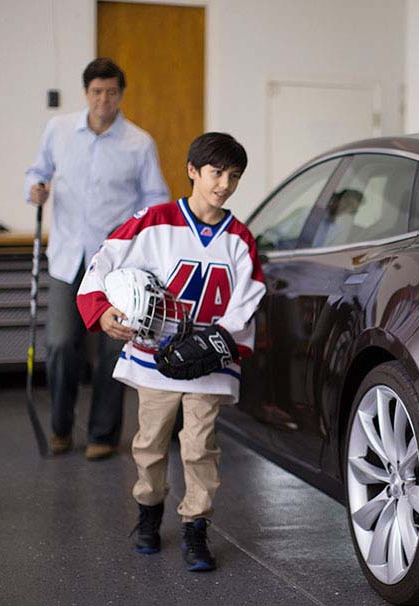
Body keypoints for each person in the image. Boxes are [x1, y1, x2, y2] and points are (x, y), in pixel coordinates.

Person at [76, 132, 266, 571]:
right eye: (216, 173)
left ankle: (196, 525)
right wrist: (101, 310)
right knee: (150, 443)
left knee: (199, 446)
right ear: (192, 171)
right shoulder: (155, 221)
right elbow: (103, 260)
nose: (224, 184)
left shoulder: (239, 238)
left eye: (234, 176)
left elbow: (249, 295)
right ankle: (148, 512)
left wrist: (220, 339)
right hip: (152, 355)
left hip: (209, 362)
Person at [24, 57, 169, 459]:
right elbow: (36, 172)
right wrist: (34, 189)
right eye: (96, 92)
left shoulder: (139, 143)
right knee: (60, 344)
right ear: (86, 93)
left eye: (111, 92)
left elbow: (156, 199)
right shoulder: (58, 130)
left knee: (112, 348)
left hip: (117, 265)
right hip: (67, 258)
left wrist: (139, 235)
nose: (104, 99)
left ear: (121, 95)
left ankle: (103, 435)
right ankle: (60, 427)